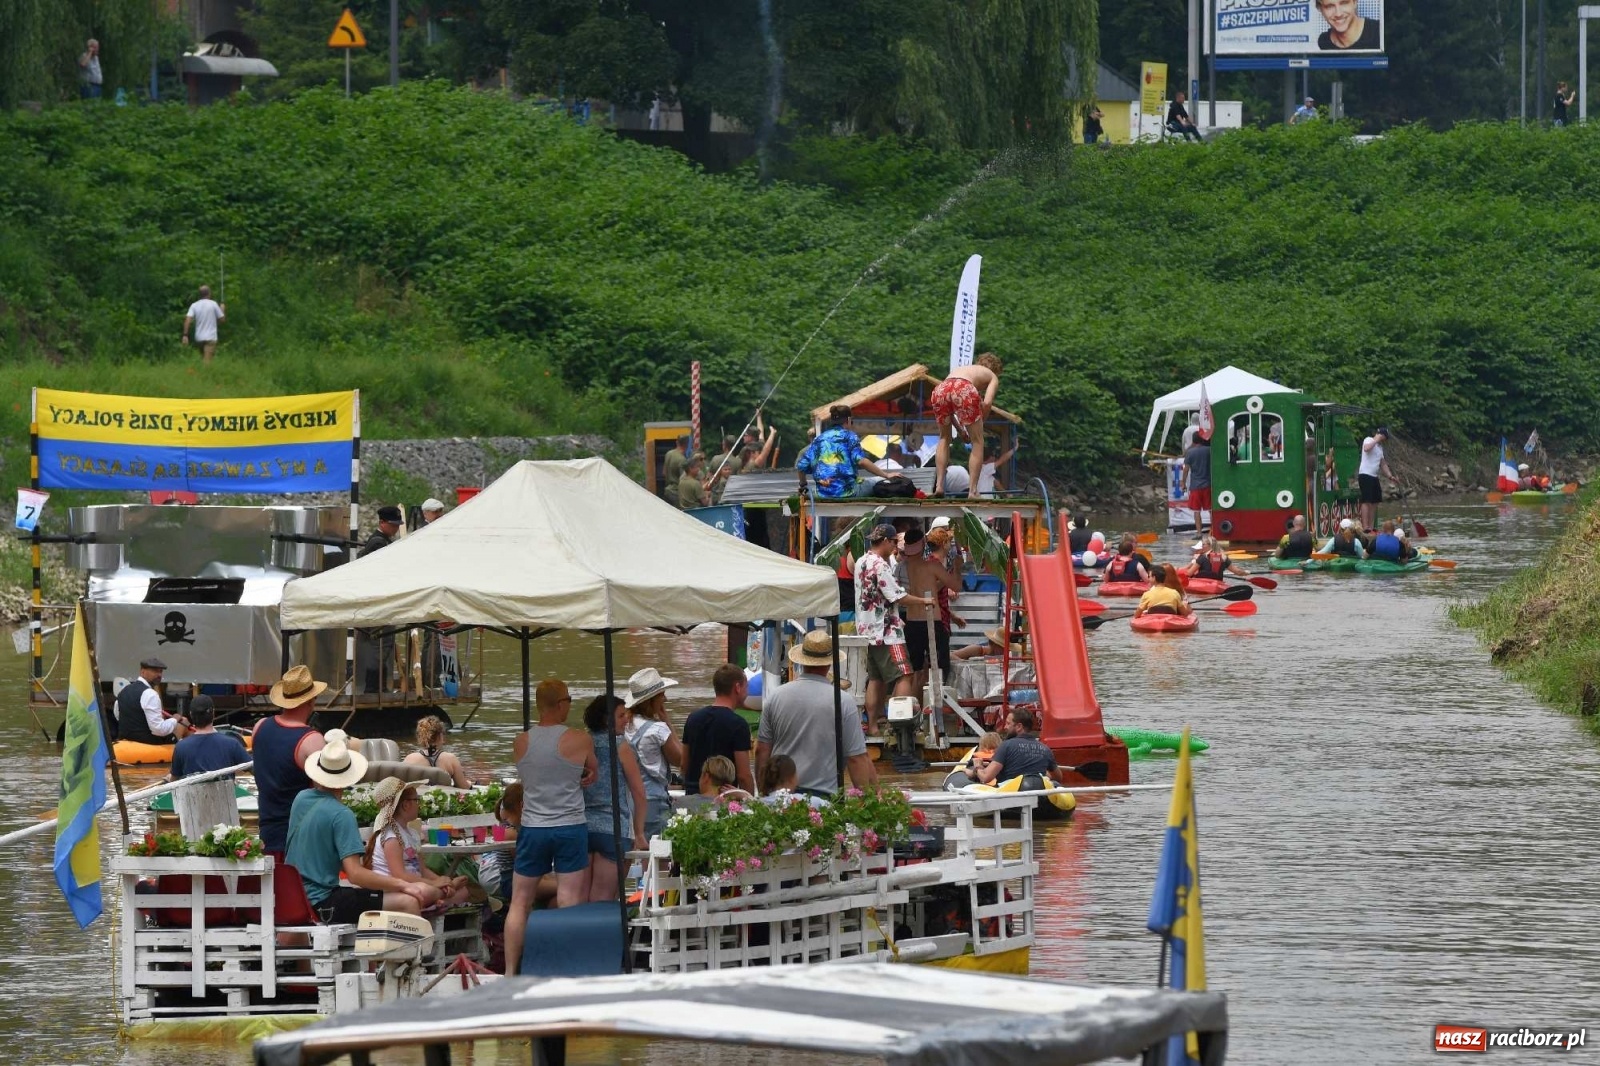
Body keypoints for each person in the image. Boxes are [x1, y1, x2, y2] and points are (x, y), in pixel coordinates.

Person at [506, 679, 598, 975]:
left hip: (533, 827)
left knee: (520, 902)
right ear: (560, 704)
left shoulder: (521, 741)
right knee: (570, 899)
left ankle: (509, 971)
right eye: (569, 699)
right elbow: (592, 770)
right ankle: (566, 970)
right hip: (570, 826)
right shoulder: (580, 739)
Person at [285, 734, 430, 921]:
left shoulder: (301, 799)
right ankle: (411, 951)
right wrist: (402, 884)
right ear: (348, 779)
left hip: (294, 897)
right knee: (408, 901)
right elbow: (355, 874)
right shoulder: (342, 814)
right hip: (323, 901)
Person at [756, 630, 876, 798]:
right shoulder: (842, 701)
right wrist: (870, 802)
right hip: (824, 797)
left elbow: (762, 750)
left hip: (780, 796)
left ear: (802, 661)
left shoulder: (775, 696)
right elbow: (856, 758)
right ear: (829, 663)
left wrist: (763, 793)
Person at [854, 523, 936, 733]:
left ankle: (872, 726)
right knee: (904, 674)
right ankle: (900, 726)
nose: (894, 548)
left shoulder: (861, 562)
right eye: (893, 543)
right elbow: (896, 595)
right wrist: (923, 601)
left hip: (867, 630)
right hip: (886, 632)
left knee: (876, 678)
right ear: (885, 541)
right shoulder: (880, 565)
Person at [252, 665, 327, 857]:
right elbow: (326, 795)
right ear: (311, 700)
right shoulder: (312, 740)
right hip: (299, 838)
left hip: (267, 833)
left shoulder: (259, 727)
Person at [581, 695, 647, 903]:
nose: (626, 719)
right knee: (603, 898)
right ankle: (601, 936)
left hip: (582, 827)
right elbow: (638, 791)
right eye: (620, 715)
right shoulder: (620, 745)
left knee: (580, 897)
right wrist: (639, 832)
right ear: (605, 719)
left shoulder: (583, 742)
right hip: (613, 828)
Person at [364, 778, 468, 909]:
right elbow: (399, 876)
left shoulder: (411, 834)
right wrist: (436, 884)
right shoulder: (391, 837)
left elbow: (423, 869)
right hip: (395, 890)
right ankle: (438, 899)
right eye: (417, 799)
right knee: (424, 891)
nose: (419, 804)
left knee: (463, 891)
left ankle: (439, 899)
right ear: (406, 805)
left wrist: (444, 883)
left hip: (415, 885)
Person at [620, 668, 682, 839]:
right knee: (658, 852)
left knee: (632, 849)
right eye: (662, 695)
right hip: (653, 800)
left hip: (627, 800)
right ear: (652, 700)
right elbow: (681, 759)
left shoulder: (623, 726)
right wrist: (667, 722)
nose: (666, 699)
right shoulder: (657, 729)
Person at [931, 353, 1002, 499]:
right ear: (995, 369)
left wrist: (960, 430)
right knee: (978, 442)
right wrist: (981, 423)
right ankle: (973, 491)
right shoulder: (992, 376)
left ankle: (939, 486)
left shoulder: (963, 369)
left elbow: (950, 412)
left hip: (941, 389)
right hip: (963, 389)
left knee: (944, 438)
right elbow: (987, 403)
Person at [681, 664, 757, 794]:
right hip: (723, 797)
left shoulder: (693, 719)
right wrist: (749, 802)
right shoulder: (738, 725)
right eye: (746, 686)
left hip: (693, 794)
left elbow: (684, 766)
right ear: (737, 688)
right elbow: (744, 776)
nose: (747, 692)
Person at [796, 405, 894, 499]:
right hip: (850, 492)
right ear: (849, 420)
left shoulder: (818, 439)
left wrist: (803, 485)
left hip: (823, 494)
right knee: (881, 480)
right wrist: (886, 475)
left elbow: (801, 466)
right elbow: (861, 461)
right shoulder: (850, 436)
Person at [166, 695, 247, 780]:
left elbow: (175, 780)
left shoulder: (181, 747)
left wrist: (169, 778)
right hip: (223, 792)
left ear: (191, 714)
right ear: (213, 713)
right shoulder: (232, 744)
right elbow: (254, 769)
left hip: (193, 793)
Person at [974, 709, 1061, 786]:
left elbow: (986, 777)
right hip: (1038, 796)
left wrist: (978, 767)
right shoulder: (1045, 749)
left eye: (1008, 724)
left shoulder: (1006, 746)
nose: (1005, 727)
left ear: (1019, 726)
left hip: (1010, 798)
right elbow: (1058, 777)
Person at [114, 656, 188, 745]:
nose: (159, 675)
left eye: (160, 671)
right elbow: (158, 730)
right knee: (183, 722)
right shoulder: (150, 694)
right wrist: (175, 719)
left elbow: (118, 716)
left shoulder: (123, 691)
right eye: (155, 671)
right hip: (148, 743)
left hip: (125, 739)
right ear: (142, 671)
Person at [403, 715, 472, 789]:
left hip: (418, 798)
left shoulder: (410, 759)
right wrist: (469, 783)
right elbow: (463, 786)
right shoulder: (451, 759)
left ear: (420, 736)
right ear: (439, 736)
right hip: (442, 798)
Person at [1358, 427, 1396, 532]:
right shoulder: (1369, 440)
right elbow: (1366, 448)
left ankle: (1371, 526)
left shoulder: (1380, 448)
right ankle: (1365, 526)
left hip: (1374, 476)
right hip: (1365, 474)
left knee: (1375, 501)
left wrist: (1390, 476)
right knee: (1367, 501)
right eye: (1383, 437)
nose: (1384, 440)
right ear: (1380, 435)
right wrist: (1376, 439)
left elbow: (1383, 464)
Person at [181, 286, 226, 364]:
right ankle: (205, 375)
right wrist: (222, 309)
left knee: (203, 359)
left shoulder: (194, 305)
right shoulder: (213, 304)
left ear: (200, 295)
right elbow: (222, 320)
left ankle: (202, 374)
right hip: (210, 338)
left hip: (199, 338)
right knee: (207, 362)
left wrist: (185, 335)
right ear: (209, 294)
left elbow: (187, 320)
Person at [1182, 430, 1212, 535]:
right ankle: (1214, 532)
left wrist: (1183, 483)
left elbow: (1186, 470)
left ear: (1193, 441)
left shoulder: (1190, 453)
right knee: (1211, 510)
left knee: (1196, 511)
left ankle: (1199, 534)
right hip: (1208, 484)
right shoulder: (1209, 450)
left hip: (1195, 486)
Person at [1185, 535, 1250, 582]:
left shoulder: (1202, 558)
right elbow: (1238, 572)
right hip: (1217, 584)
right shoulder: (1223, 558)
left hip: (1203, 584)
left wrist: (1191, 564)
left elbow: (1189, 574)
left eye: (1203, 545)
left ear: (1210, 545)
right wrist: (1246, 573)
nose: (1202, 547)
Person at [661, 435, 689, 500]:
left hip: (667, 491)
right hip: (676, 493)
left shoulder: (668, 454)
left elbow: (664, 473)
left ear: (677, 442)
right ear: (686, 445)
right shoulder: (682, 460)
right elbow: (683, 481)